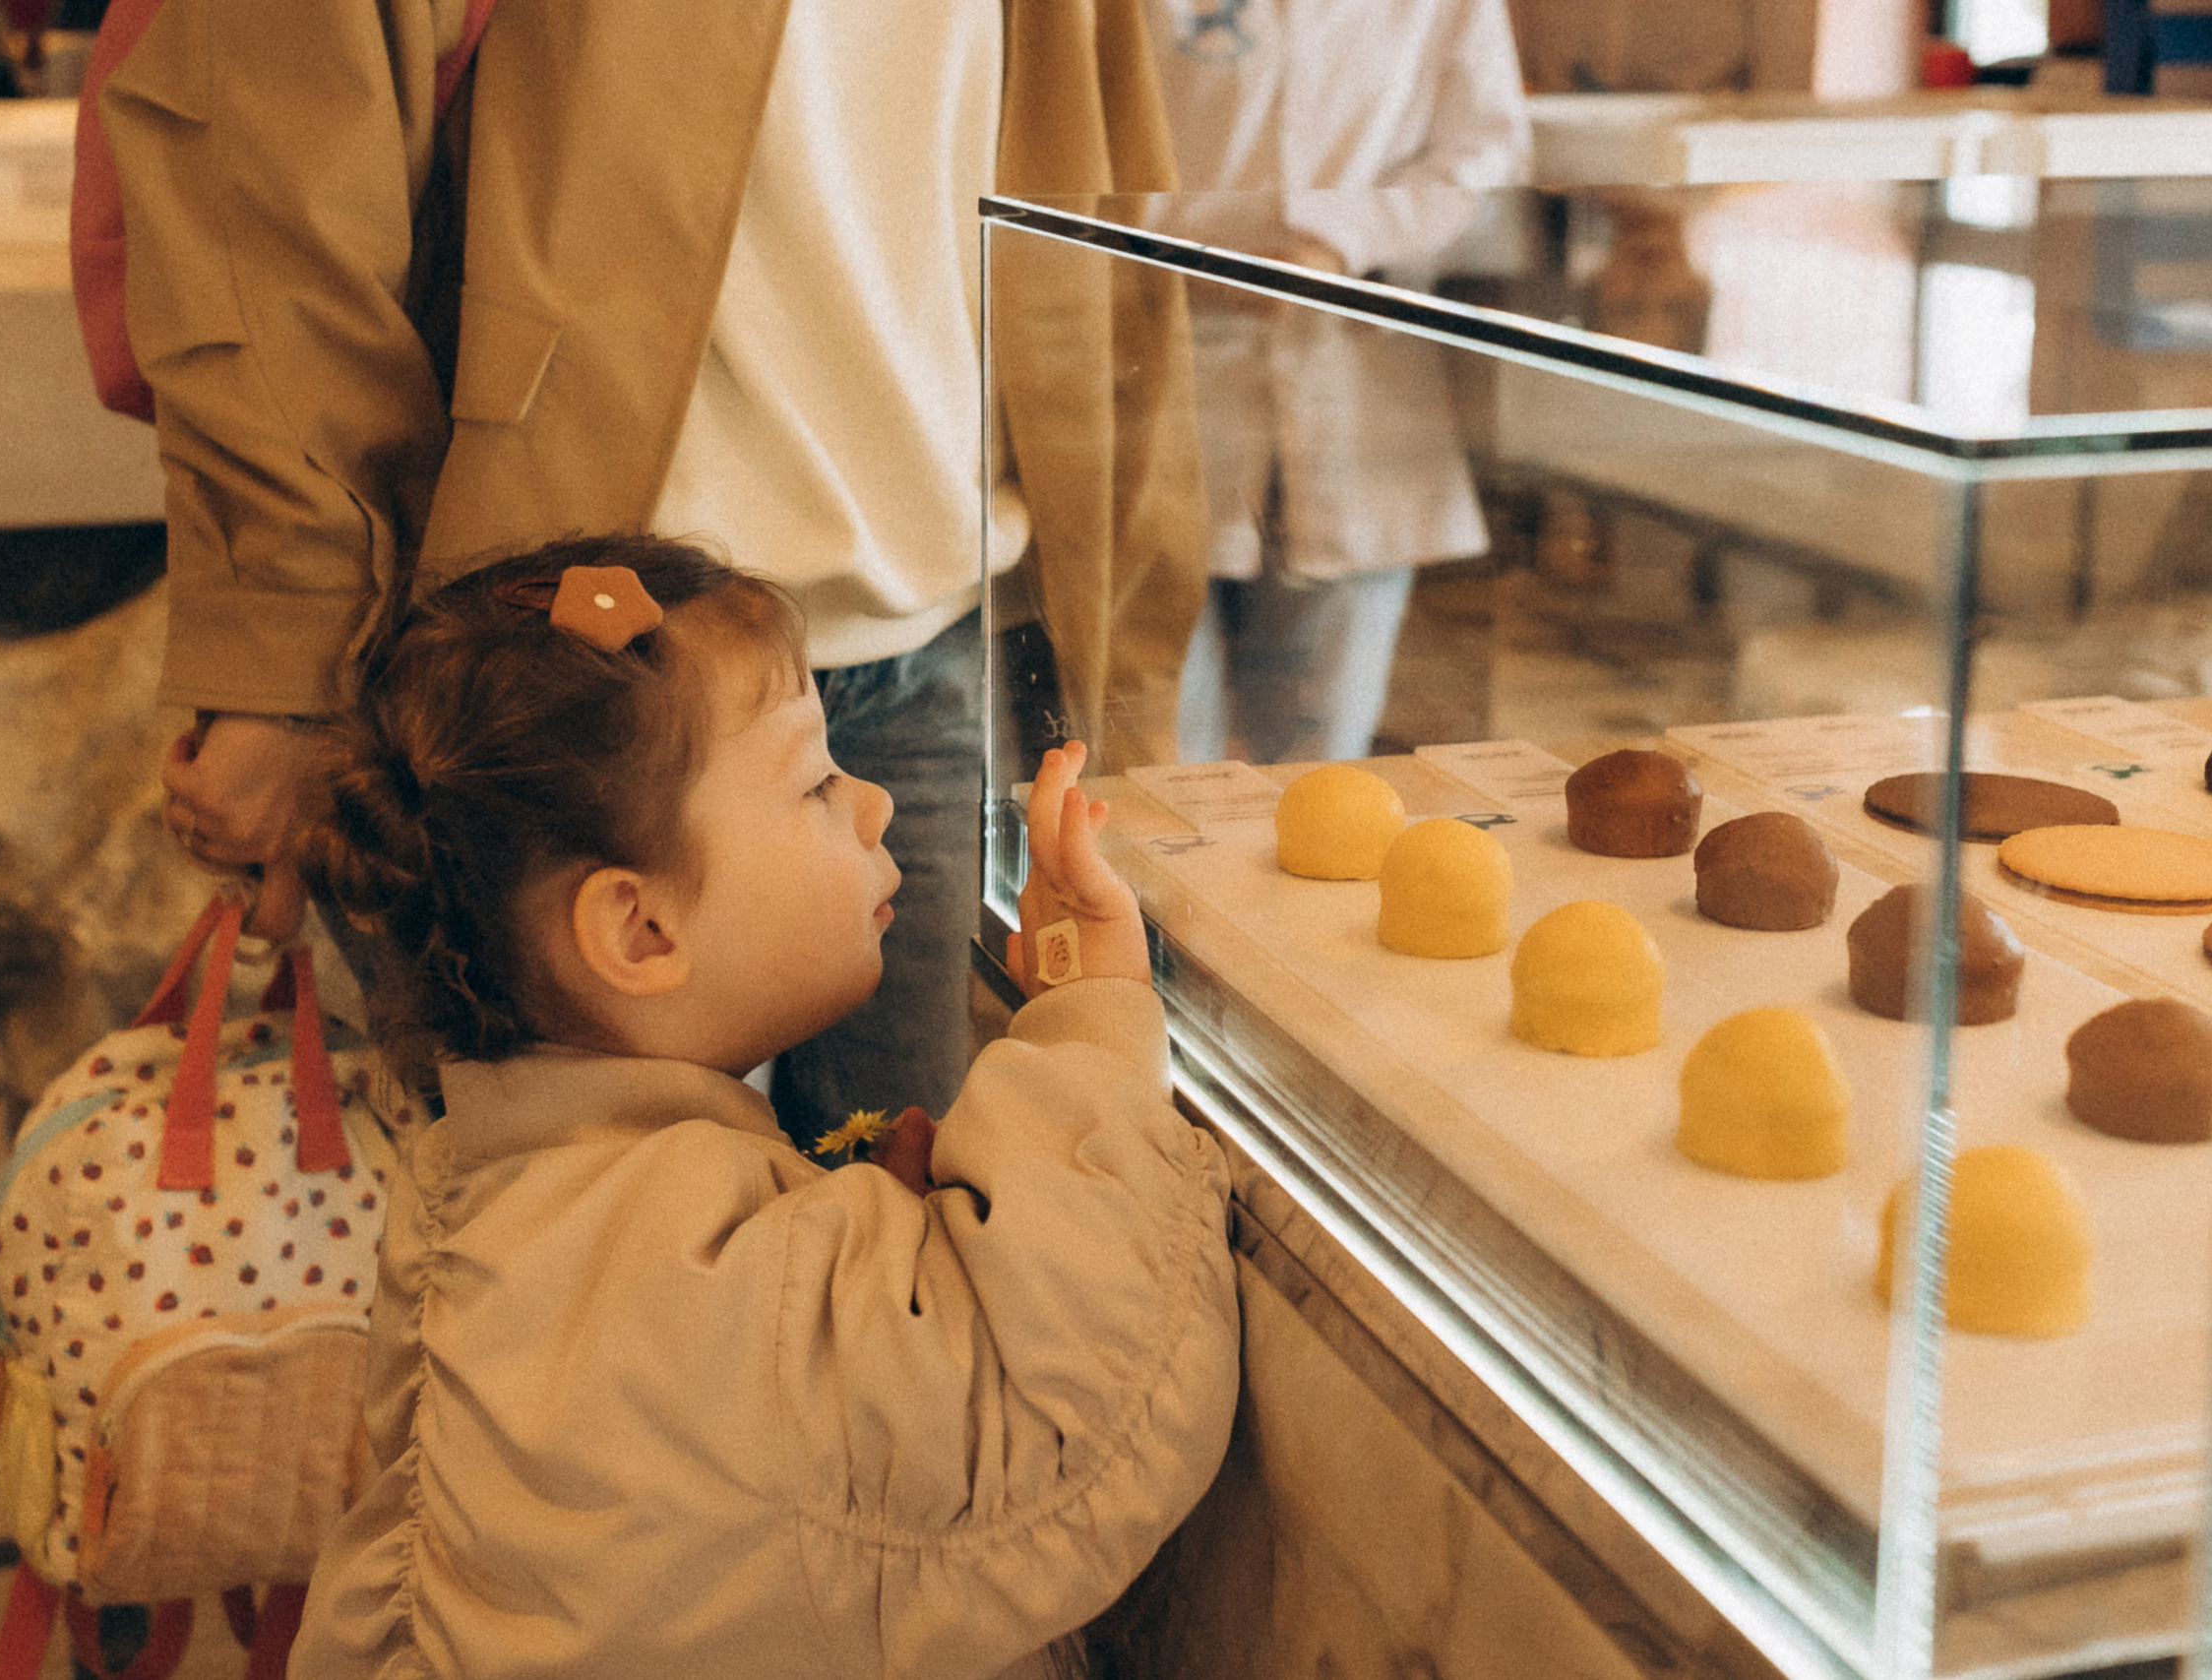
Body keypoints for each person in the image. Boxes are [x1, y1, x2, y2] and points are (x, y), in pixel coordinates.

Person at [116, 0, 1208, 1150]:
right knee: (560, 1250)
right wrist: (284, 657)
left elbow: (1099, 238)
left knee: (897, 1210)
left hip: (918, 627)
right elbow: (269, 180)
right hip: (558, 674)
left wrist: (1129, 682)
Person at [287, 533, 1239, 1680]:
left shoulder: (478, 1187)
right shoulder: (720, 1266)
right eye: (815, 782)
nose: (879, 806)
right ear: (640, 932)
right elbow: (1062, 1402)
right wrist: (1088, 1016)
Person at [1148, 0, 1531, 764]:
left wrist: (1339, 240)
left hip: (1359, 380)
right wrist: (1180, 254)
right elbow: (1078, 138)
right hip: (1162, 365)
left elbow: (1488, 153)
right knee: (1157, 760)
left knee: (1320, 767)